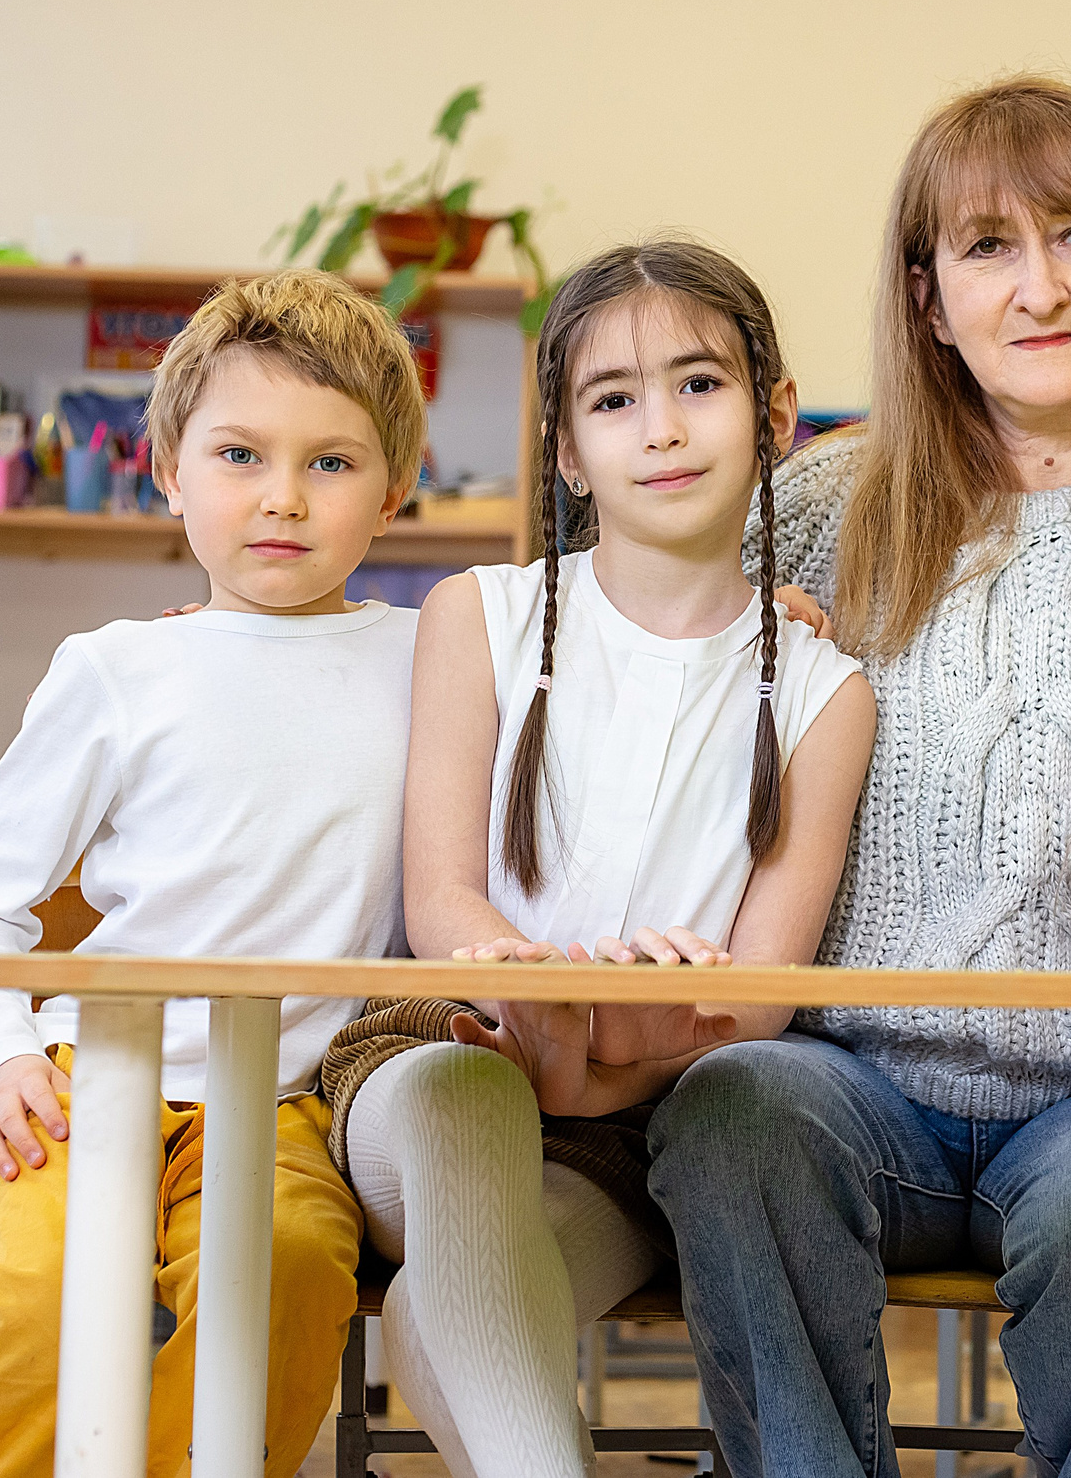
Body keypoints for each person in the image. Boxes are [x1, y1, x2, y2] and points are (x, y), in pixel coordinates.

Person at [642, 76, 1071, 1478]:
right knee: (732, 1109)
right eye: (987, 246)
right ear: (927, 295)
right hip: (857, 1073)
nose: (1040, 286)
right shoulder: (822, 505)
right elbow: (611, 633)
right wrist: (255, 614)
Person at [323, 238, 875, 1478]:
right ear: (567, 450)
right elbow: (443, 901)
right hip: (441, 1053)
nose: (662, 429)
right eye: (613, 401)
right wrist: (537, 990)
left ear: (776, 414)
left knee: (450, 1319)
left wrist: (633, 1035)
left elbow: (755, 993)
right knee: (468, 1107)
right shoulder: (483, 614)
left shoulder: (829, 694)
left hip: (632, 1133)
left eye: (700, 384)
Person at [0, 269, 428, 1478]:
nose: (283, 500)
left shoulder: (439, 653)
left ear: (394, 491)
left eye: (334, 465)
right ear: (169, 473)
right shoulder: (115, 669)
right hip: (95, 1082)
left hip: (294, 1106)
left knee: (293, 1276)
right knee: (39, 1299)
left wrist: (764, 614)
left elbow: (616, 634)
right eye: (240, 455)